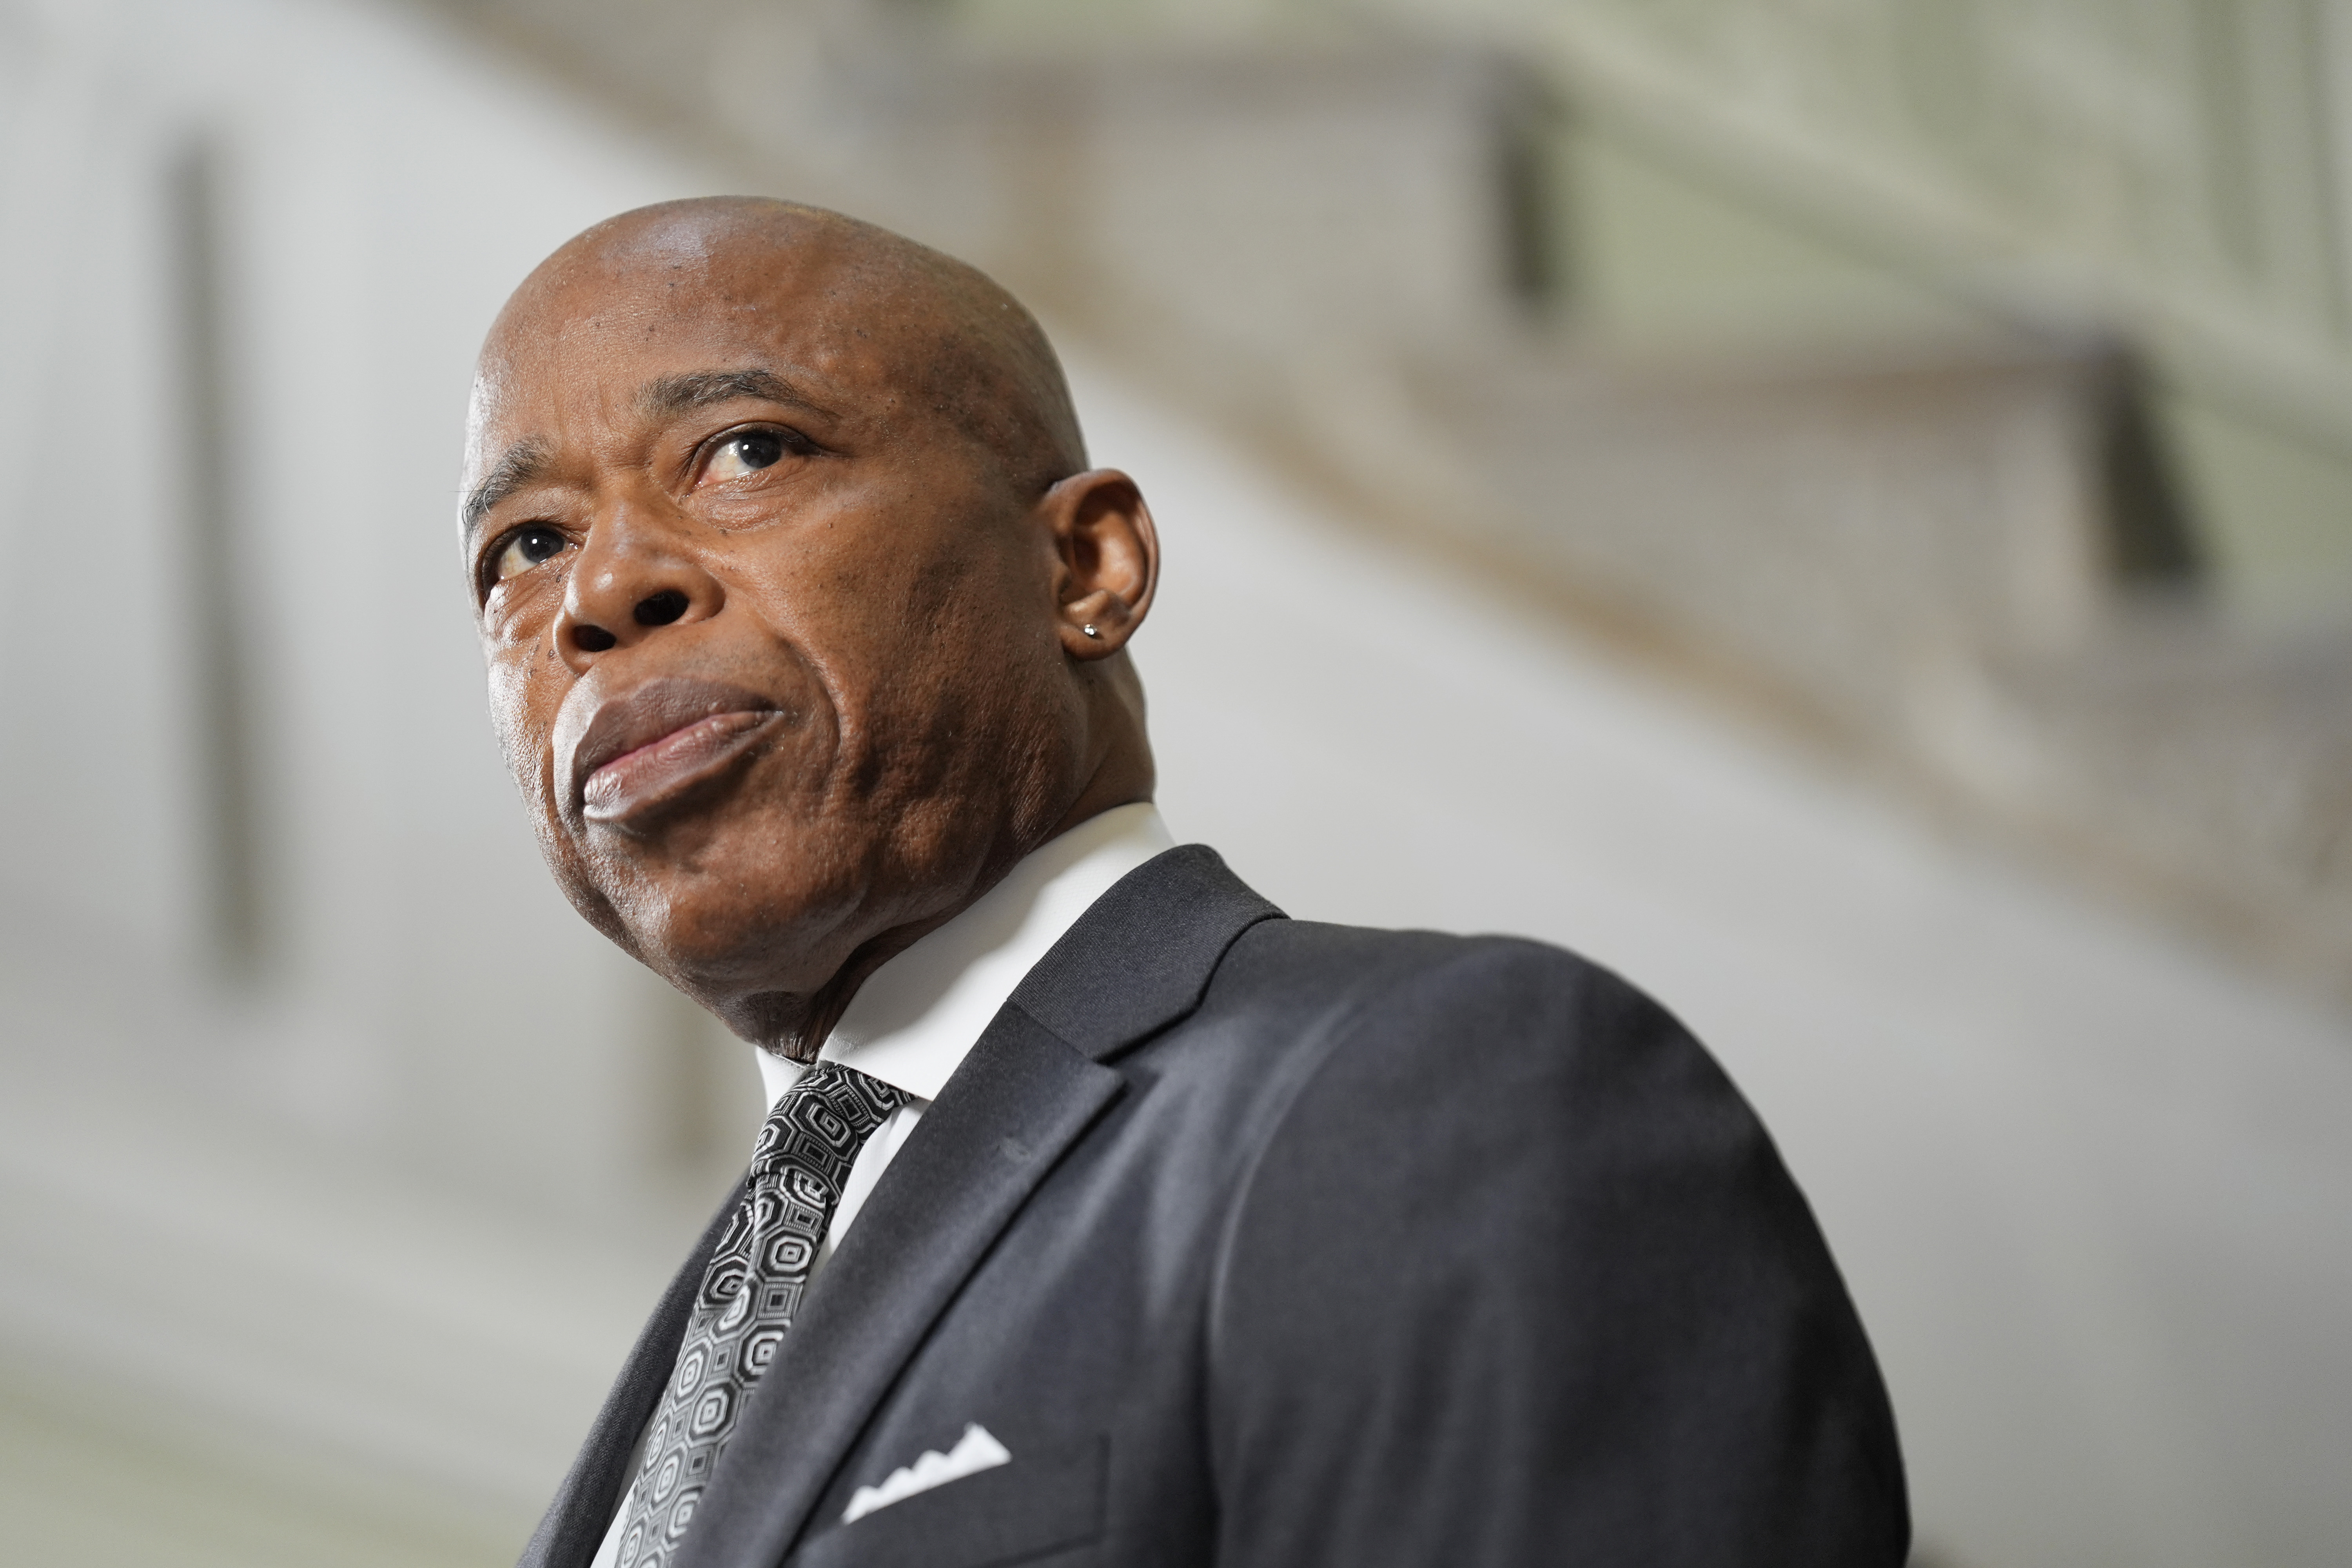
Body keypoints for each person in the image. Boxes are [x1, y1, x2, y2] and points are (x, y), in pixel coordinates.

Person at [461, 197, 1907, 1568]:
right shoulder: (730, 1316)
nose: (599, 594)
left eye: (748, 452)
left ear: (1086, 566)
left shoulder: (1441, 1089)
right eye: (528, 546)